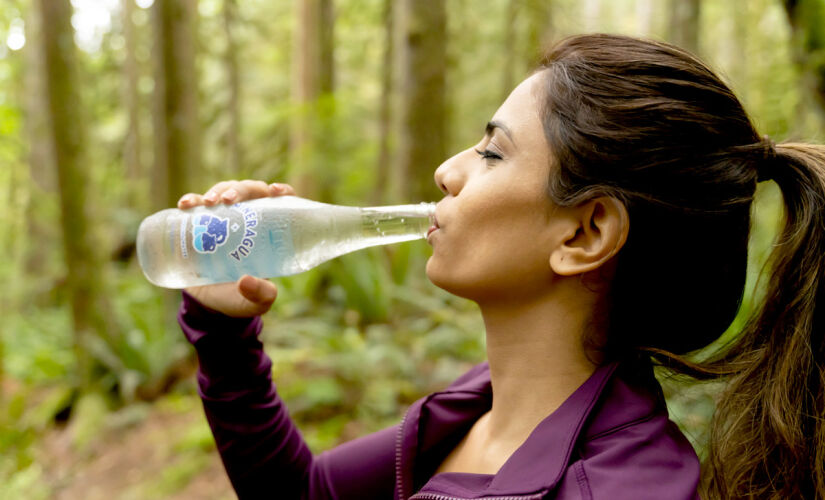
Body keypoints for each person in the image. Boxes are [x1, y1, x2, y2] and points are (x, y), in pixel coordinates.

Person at [174, 34, 825, 499]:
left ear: (585, 232)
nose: (445, 171)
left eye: (491, 154)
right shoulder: (476, 407)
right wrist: (223, 332)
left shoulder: (625, 488)